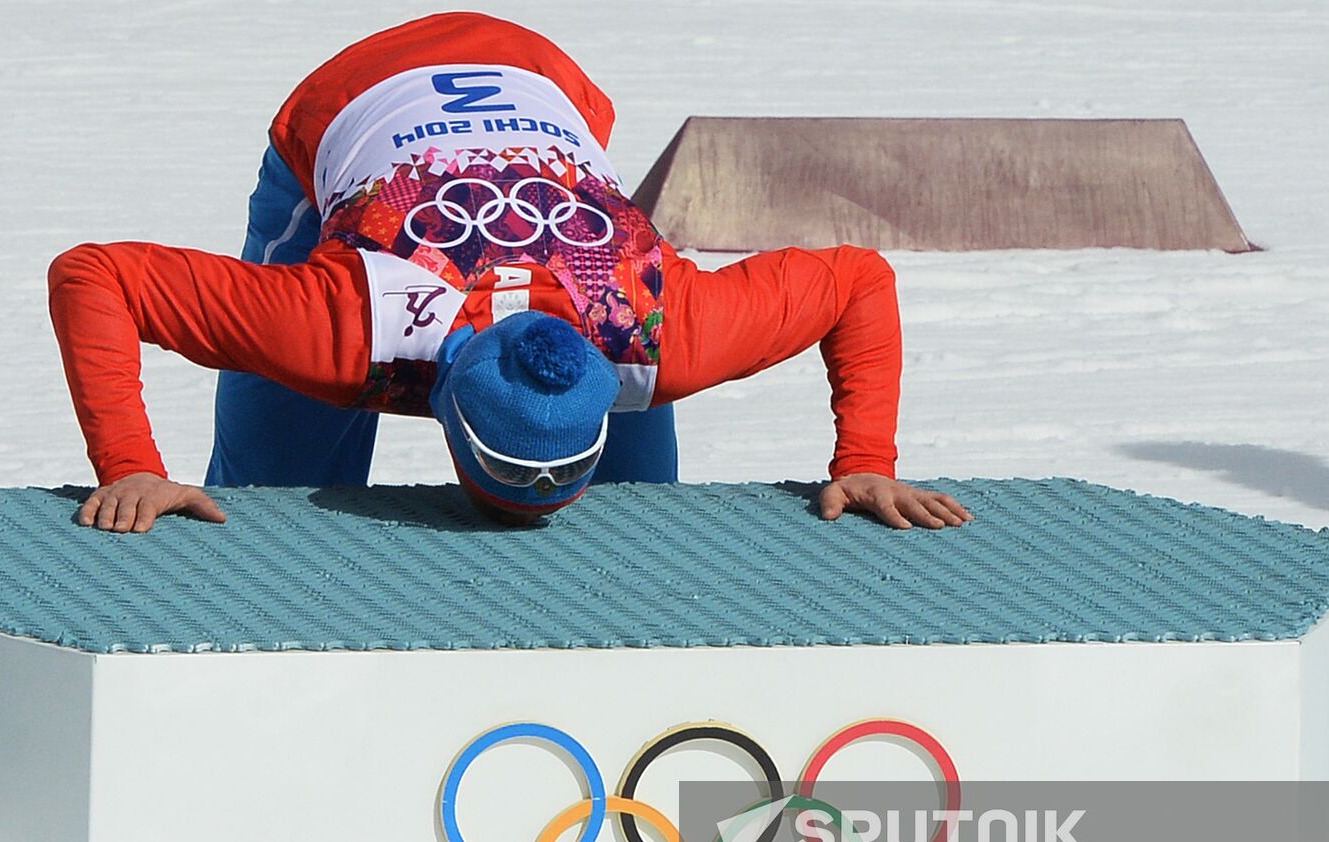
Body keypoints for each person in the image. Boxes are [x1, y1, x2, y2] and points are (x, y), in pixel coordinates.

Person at [47, 12, 972, 534]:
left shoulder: (655, 328)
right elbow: (95, 276)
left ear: (603, 378)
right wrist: (134, 467)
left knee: (635, 531)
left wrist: (866, 461)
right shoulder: (345, 319)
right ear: (437, 404)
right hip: (356, 94)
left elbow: (857, 281)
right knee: (257, 492)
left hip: (548, 90)